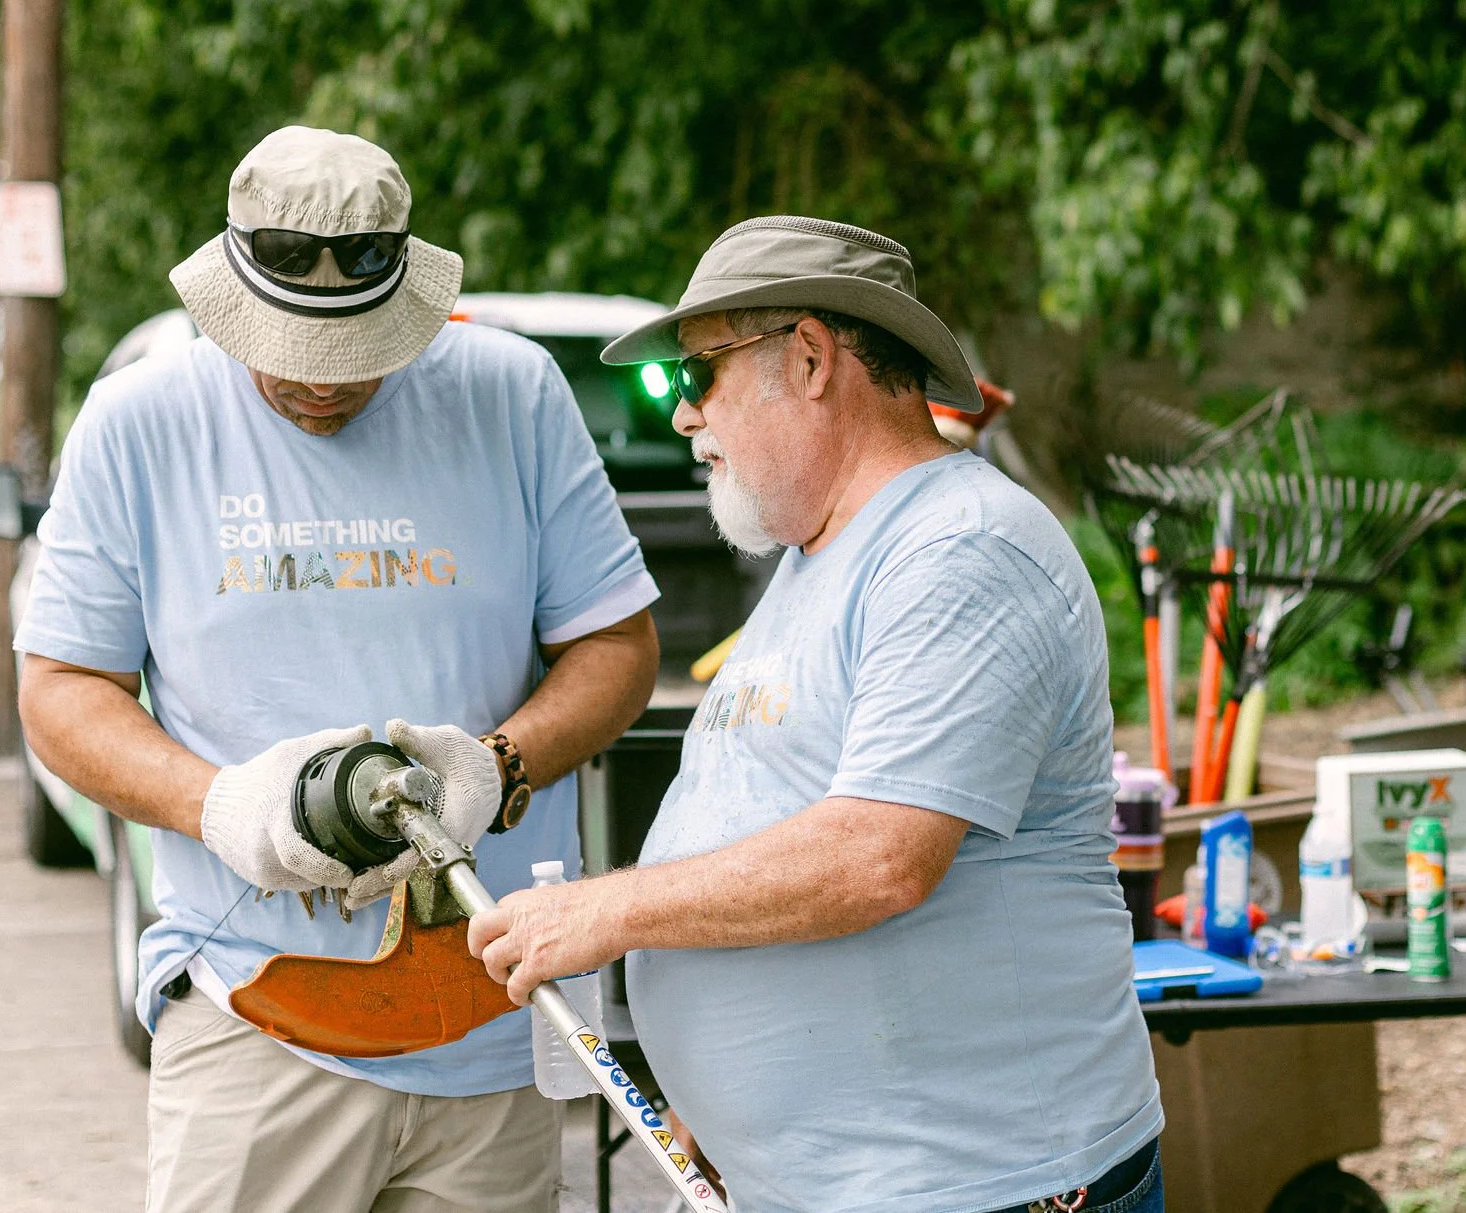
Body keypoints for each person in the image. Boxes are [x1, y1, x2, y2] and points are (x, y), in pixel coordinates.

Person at [14, 126, 661, 1213]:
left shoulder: (511, 394)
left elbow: (617, 648)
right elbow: (62, 693)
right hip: (256, 1024)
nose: (320, 388)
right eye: (288, 352)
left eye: (357, 356)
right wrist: (222, 808)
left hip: (489, 1021)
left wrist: (495, 767)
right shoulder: (141, 422)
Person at [467, 215, 1164, 1213]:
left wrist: (603, 911)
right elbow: (771, 807)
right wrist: (733, 1105)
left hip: (978, 1189)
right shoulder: (817, 557)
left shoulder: (960, 551)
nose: (680, 416)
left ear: (805, 358)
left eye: (694, 375)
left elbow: (877, 854)